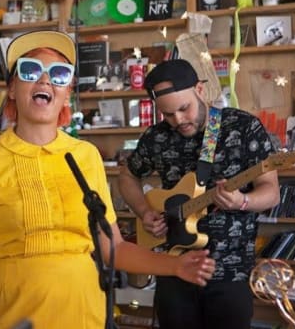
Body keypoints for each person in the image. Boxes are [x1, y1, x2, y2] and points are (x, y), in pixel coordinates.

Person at [0, 30, 215, 328]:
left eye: (58, 74)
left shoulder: (86, 156)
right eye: (30, 70)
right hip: (15, 316)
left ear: (67, 93)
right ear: (12, 88)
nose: (44, 81)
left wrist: (175, 265)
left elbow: (111, 248)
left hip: (84, 314)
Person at [117, 59, 281, 329]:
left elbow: (271, 192)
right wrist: (144, 211)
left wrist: (242, 201)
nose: (178, 120)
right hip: (173, 266)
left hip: (229, 272)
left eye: (184, 108)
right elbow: (127, 176)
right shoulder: (156, 137)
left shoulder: (242, 127)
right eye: (168, 115)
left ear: (200, 90)